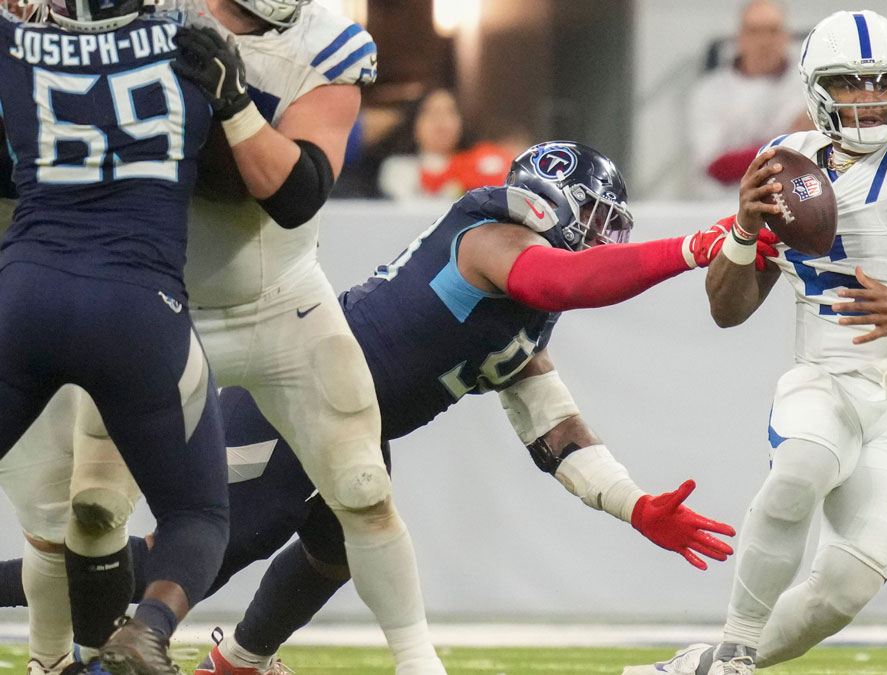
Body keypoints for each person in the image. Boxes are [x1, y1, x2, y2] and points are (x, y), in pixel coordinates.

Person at [0, 142, 772, 674]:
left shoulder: (524, 306)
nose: (604, 236)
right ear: (557, 204)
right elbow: (559, 282)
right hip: (293, 402)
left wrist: (636, 507)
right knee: (179, 560)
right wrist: (692, 247)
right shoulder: (492, 240)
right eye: (599, 218)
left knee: (339, 539)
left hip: (348, 423)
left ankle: (238, 658)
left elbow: (552, 427)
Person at [0, 0, 451, 672]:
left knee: (360, 482)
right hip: (161, 305)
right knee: (94, 510)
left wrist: (235, 106)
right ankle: (84, 658)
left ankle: (419, 662)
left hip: (276, 300)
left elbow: (295, 193)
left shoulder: (326, 45)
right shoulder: (165, 14)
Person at [626, 10, 887, 675]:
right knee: (802, 464)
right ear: (816, 90)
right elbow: (728, 309)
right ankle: (738, 652)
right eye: (850, 84)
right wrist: (744, 231)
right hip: (825, 378)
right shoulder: (790, 166)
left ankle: (704, 664)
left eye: (882, 83)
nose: (868, 99)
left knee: (845, 588)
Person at [0, 0, 231, 673]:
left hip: (26, 296)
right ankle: (148, 628)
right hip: (140, 306)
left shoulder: (13, 43)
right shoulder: (197, 39)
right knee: (198, 514)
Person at [688, 0, 812, 197]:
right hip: (725, 206)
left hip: (795, 200)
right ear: (740, 37)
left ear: (786, 36)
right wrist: (789, 142)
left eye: (772, 31)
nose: (764, 41)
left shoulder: (809, 86)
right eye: (754, 31)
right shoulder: (711, 91)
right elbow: (716, 167)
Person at [377, 89, 517, 202]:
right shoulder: (399, 168)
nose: (441, 121)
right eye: (432, 112)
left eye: (450, 112)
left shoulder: (484, 160)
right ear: (414, 124)